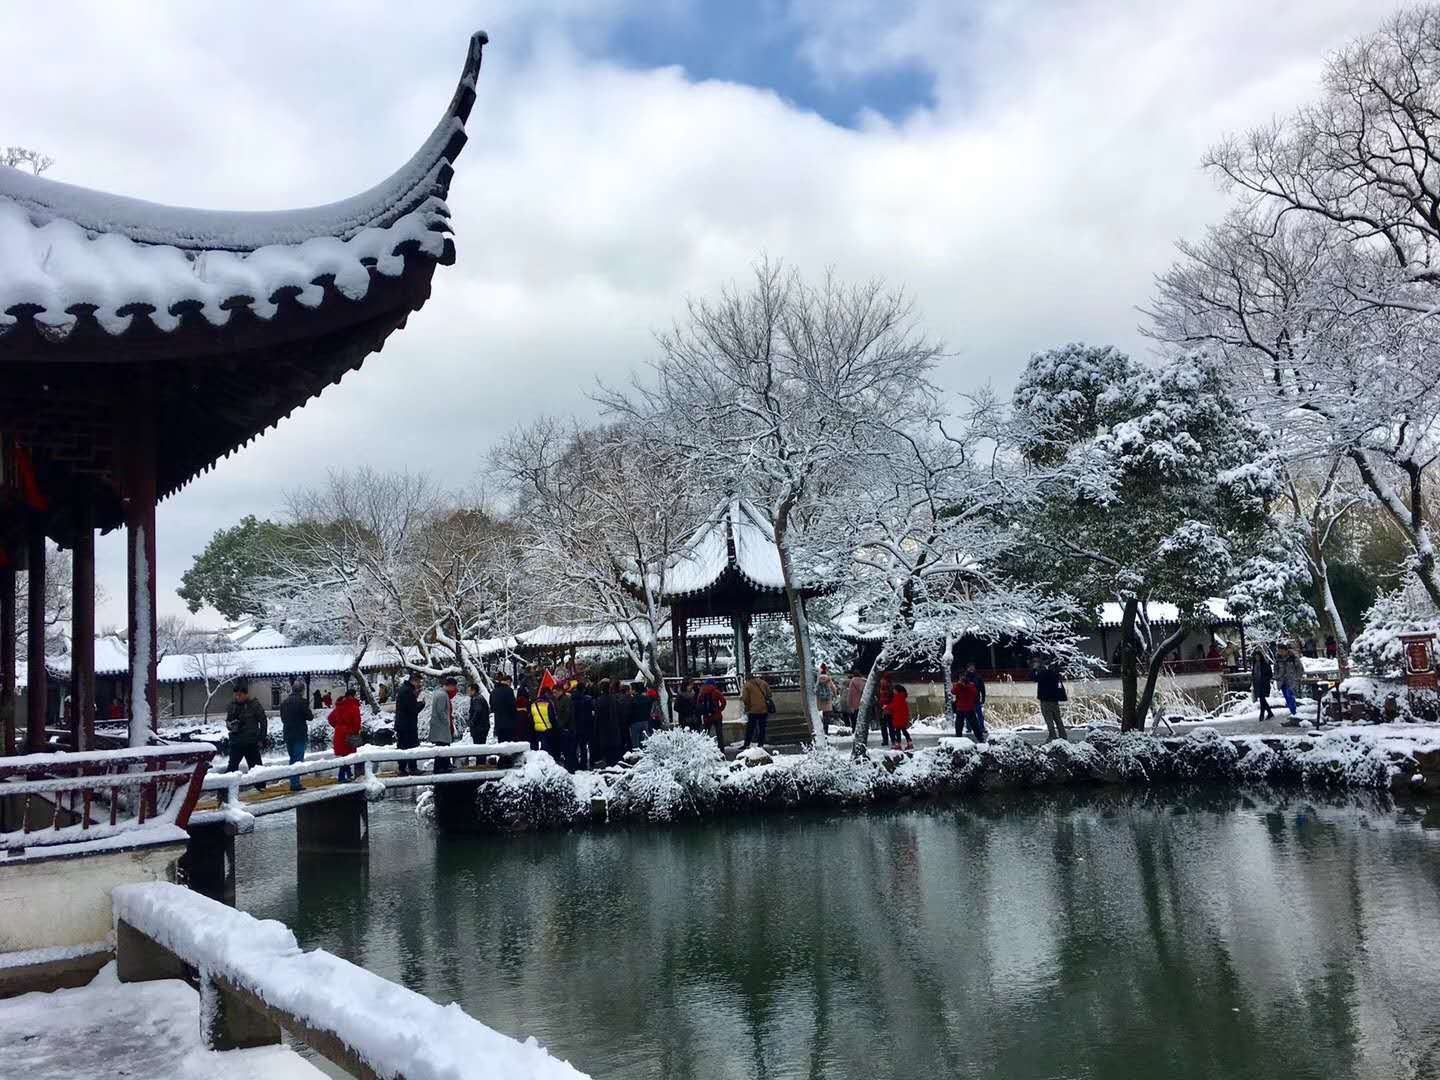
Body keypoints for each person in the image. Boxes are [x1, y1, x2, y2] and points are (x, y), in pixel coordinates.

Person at [224, 682, 267, 790]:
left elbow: (263, 721)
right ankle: (224, 790)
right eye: (236, 695)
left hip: (251, 742)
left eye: (240, 695)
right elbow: (228, 721)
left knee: (257, 767)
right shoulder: (232, 705)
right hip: (236, 742)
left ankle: (261, 789)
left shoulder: (254, 705)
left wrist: (261, 738)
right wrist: (231, 725)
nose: (238, 697)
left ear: (246, 694)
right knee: (232, 767)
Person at [279, 679, 313, 792]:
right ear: (302, 691)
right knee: (298, 759)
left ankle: (294, 780)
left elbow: (283, 718)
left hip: (288, 733)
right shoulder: (302, 702)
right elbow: (310, 716)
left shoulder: (284, 702)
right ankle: (295, 783)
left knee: (292, 757)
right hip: (299, 733)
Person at [329, 688, 363, 782]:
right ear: (352, 696)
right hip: (349, 734)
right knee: (348, 756)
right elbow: (357, 722)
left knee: (344, 755)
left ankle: (349, 774)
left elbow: (330, 718)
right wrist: (355, 731)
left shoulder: (339, 706)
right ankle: (341, 777)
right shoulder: (353, 707)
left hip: (339, 733)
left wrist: (337, 727)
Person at [393, 671, 424, 775]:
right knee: (410, 747)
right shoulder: (408, 691)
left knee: (403, 746)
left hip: (403, 725)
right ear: (414, 681)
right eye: (418, 681)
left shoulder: (404, 689)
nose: (419, 684)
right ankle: (410, 768)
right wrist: (421, 704)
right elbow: (412, 709)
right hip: (407, 726)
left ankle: (405, 768)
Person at [1032, 660, 1068, 742]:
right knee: (1058, 718)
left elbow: (1033, 678)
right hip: (1054, 700)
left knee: (1049, 719)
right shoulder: (1055, 673)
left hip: (1045, 700)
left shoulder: (1042, 673)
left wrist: (1034, 669)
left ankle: (1052, 736)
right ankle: (1063, 735)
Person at [429, 676, 458, 773]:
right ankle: (441, 768)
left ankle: (444, 766)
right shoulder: (442, 695)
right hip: (441, 727)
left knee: (443, 748)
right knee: (443, 748)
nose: (454, 689)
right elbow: (441, 711)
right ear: (450, 686)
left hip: (440, 727)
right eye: (454, 687)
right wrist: (448, 722)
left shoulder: (440, 693)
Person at [740, 672, 772, 750]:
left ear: (747, 678)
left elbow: (745, 698)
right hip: (764, 709)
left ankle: (747, 743)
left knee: (750, 728)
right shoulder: (763, 683)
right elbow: (769, 694)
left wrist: (747, 707)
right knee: (762, 727)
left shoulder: (747, 685)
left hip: (753, 710)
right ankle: (760, 743)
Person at [952, 669, 984, 742]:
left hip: (966, 708)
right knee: (961, 725)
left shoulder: (969, 685)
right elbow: (953, 691)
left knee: (972, 725)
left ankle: (980, 738)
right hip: (963, 708)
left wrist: (961, 685)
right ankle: (979, 738)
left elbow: (974, 693)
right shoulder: (963, 685)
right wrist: (959, 684)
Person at [1275, 643, 1304, 725]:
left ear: (1286, 650)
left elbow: (1300, 668)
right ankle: (1293, 713)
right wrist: (1277, 676)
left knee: (1290, 695)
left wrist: (1297, 678)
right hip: (1282, 681)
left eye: (1282, 651)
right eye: (1279, 651)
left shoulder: (1293, 658)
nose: (1280, 652)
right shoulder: (1278, 659)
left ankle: (1294, 714)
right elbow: (1275, 668)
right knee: (1287, 698)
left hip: (1292, 681)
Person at [697, 678, 727, 748]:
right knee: (719, 734)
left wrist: (703, 711)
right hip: (717, 716)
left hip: (706, 717)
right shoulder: (716, 692)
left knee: (705, 734)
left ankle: (704, 748)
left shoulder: (702, 692)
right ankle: (721, 749)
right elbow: (724, 702)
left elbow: (698, 703)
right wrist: (719, 709)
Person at [573, 678, 595, 770]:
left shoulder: (572, 699)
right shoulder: (588, 700)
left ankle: (575, 763)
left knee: (574, 746)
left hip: (575, 726)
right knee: (583, 746)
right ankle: (584, 764)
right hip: (586, 726)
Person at [490, 672, 518, 744]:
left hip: (498, 722)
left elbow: (492, 707)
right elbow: (513, 706)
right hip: (509, 722)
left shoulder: (493, 692)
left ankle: (502, 755)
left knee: (501, 743)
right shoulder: (509, 691)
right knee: (509, 743)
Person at [553, 681, 576, 769]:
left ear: (560, 691)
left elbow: (566, 715)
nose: (554, 695)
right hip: (565, 729)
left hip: (567, 729)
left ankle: (570, 767)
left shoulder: (565, 700)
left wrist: (560, 725)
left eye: (555, 692)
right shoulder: (559, 700)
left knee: (568, 750)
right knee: (566, 750)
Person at [886, 684, 914, 750]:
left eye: (894, 690)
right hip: (903, 717)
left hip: (898, 717)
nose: (893, 691)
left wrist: (886, 707)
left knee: (898, 731)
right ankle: (909, 742)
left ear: (897, 691)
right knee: (904, 730)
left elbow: (893, 706)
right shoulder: (903, 697)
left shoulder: (897, 697)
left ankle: (898, 744)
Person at [628, 681, 653, 751]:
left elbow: (630, 712)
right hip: (645, 721)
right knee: (646, 743)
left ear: (634, 690)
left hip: (635, 723)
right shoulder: (647, 699)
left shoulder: (632, 700)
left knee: (636, 743)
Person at [530, 689, 556, 757]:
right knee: (547, 746)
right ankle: (547, 760)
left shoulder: (533, 704)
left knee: (541, 744)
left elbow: (532, 717)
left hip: (537, 728)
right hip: (547, 727)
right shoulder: (548, 703)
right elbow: (552, 716)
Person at [1251, 647, 1275, 721]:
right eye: (1256, 657)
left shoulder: (1265, 664)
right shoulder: (1255, 665)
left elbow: (1270, 674)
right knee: (1262, 699)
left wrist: (1265, 679)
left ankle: (1262, 714)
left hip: (1264, 683)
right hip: (1257, 683)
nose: (1257, 658)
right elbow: (1253, 674)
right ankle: (1269, 712)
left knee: (1262, 698)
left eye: (1258, 656)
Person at [965, 662, 988, 738]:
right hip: (967, 699)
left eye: (972, 667)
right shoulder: (965, 677)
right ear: (967, 668)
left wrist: (983, 697)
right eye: (970, 667)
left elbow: (982, 688)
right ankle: (969, 728)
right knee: (969, 715)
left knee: (979, 714)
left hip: (976, 699)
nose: (971, 669)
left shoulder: (978, 677)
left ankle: (982, 728)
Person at [466, 681, 491, 748]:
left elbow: (478, 711)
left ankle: (481, 758)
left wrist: (472, 722)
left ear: (474, 690)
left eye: (469, 690)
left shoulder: (476, 699)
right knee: (481, 746)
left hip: (479, 728)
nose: (468, 692)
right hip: (483, 726)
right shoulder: (480, 698)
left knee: (478, 747)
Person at [815, 664, 837, 731]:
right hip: (827, 700)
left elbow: (815, 689)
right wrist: (835, 695)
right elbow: (833, 688)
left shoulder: (818, 679)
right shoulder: (828, 679)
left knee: (818, 715)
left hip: (820, 700)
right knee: (826, 715)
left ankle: (819, 729)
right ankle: (825, 729)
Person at [877, 672, 894, 747]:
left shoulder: (880, 685)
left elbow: (878, 695)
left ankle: (885, 740)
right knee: (891, 725)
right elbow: (892, 696)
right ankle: (893, 739)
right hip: (889, 708)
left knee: (883, 725)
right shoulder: (890, 685)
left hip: (881, 708)